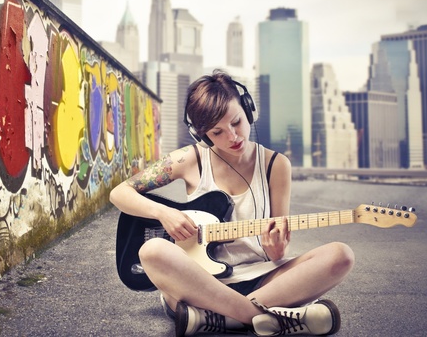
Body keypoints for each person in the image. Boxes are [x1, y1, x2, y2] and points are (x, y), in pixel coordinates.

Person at [109, 69, 355, 336]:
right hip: (200, 282)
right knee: (152, 252)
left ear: (248, 110)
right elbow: (120, 193)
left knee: (341, 255)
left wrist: (276, 250)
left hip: (263, 278)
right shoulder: (190, 159)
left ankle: (222, 318)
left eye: (236, 122)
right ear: (203, 135)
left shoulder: (276, 165)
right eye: (217, 132)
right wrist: (164, 213)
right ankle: (268, 317)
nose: (232, 136)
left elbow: (276, 246)